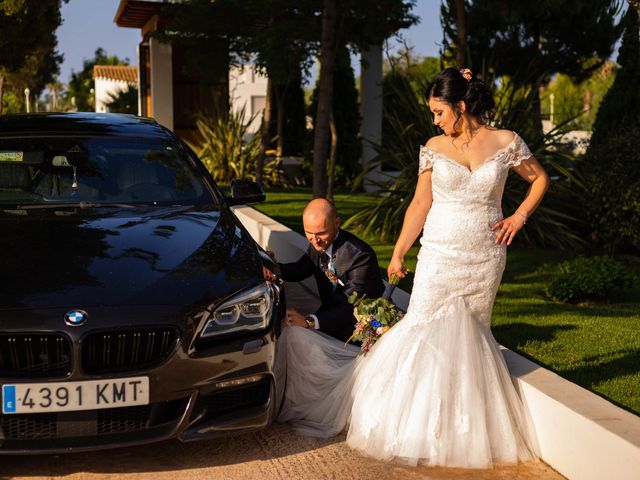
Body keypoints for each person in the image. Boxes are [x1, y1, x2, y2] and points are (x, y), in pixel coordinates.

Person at [276, 67, 549, 469]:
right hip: (440, 253)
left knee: (471, 336)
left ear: (461, 105)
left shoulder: (506, 141)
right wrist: (400, 251)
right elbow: (420, 204)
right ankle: (416, 426)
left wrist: (519, 217)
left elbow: (539, 178)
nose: (434, 120)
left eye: (439, 111)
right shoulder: (433, 147)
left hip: (485, 256)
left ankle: (460, 429)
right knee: (426, 329)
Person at [277, 198, 384, 343]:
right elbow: (300, 269)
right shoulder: (317, 243)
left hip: (359, 327)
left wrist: (310, 321)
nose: (315, 240)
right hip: (329, 316)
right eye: (308, 232)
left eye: (321, 233)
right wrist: (272, 268)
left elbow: (350, 307)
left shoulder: (361, 256)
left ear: (337, 223)